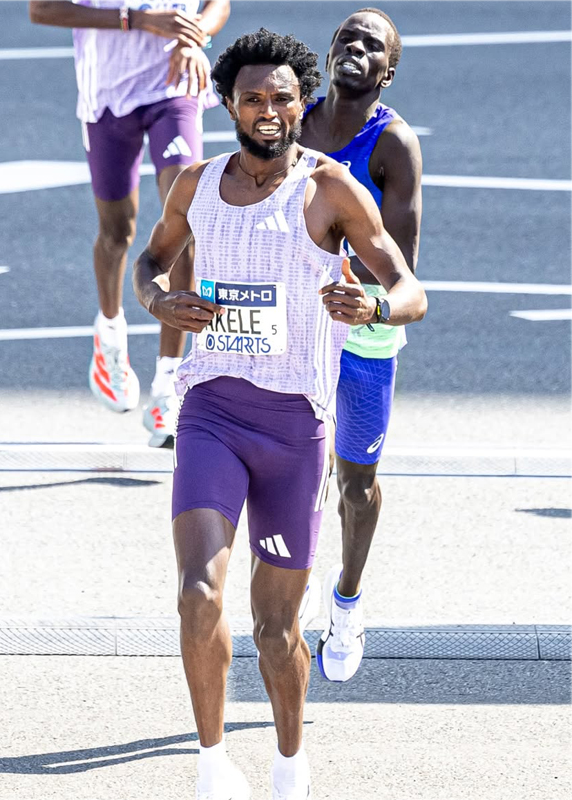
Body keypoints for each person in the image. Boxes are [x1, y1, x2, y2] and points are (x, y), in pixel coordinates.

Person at [131, 29, 425, 800]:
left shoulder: (331, 190)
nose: (268, 111)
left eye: (283, 98)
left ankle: (290, 762)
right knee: (198, 592)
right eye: (253, 98)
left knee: (274, 631)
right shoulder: (194, 184)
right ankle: (210, 764)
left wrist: (374, 303)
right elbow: (147, 261)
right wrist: (160, 299)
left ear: (303, 103)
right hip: (211, 414)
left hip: (295, 427)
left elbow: (413, 290)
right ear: (228, 103)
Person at [29, 0, 230, 447]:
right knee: (118, 231)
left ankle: (170, 383)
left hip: (172, 88)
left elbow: (219, 4)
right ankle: (110, 335)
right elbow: (41, 10)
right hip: (106, 96)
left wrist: (195, 33)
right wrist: (134, 20)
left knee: (186, 224)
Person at [298, 7, 422, 683]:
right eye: (346, 36)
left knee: (356, 484)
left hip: (364, 335)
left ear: (387, 70)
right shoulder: (292, 122)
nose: (355, 47)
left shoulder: (393, 145)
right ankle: (285, 601)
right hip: (296, 326)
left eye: (370, 44)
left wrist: (359, 289)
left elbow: (401, 270)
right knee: (291, 468)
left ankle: (346, 598)